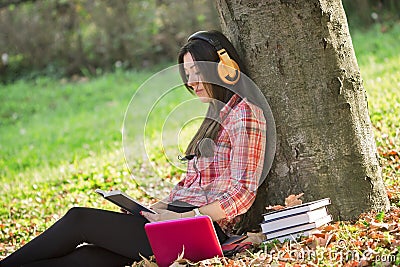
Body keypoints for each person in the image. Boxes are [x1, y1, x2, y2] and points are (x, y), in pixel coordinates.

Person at [0, 30, 267, 267]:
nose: (191, 82)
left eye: (198, 72)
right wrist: (150, 208)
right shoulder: (215, 116)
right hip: (176, 219)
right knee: (87, 259)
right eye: (188, 75)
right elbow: (192, 183)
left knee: (78, 220)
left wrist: (183, 216)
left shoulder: (245, 115)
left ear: (225, 68)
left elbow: (242, 194)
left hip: (199, 230)